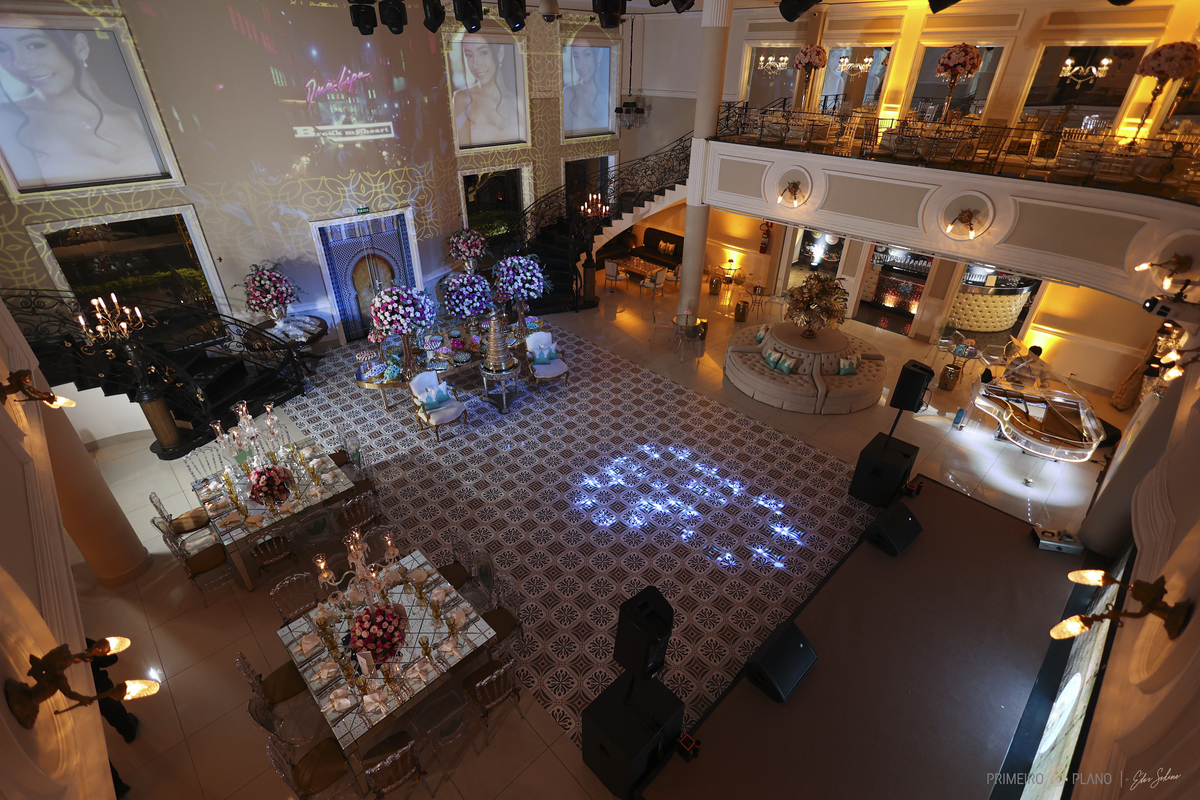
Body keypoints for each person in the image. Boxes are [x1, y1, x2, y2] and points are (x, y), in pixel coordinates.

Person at [0, 26, 163, 190]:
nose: (20, 64)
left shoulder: (146, 117)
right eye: (2, 50)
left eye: (35, 45)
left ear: (80, 47)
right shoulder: (8, 120)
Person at [452, 35, 521, 147]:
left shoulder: (518, 102)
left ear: (500, 53)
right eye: (469, 55)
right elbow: (462, 155)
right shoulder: (462, 99)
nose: (475, 64)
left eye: (483, 53)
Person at [86, 637, 139, 743]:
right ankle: (128, 732)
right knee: (112, 708)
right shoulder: (75, 640)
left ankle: (127, 731)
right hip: (97, 686)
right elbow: (110, 659)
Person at [563, 45, 608, 135]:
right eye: (576, 57)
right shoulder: (569, 94)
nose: (580, 65)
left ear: (599, 55)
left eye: (586, 55)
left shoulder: (610, 94)